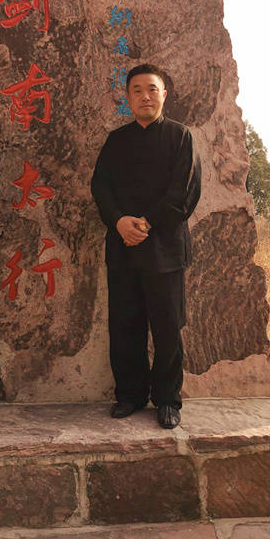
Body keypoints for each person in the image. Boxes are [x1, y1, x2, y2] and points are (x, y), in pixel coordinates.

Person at [91, 64, 201, 429]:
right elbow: (100, 187)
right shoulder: (116, 141)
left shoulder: (180, 137)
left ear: (164, 94)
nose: (145, 96)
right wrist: (120, 220)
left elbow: (183, 195)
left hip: (165, 250)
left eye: (152, 89)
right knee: (125, 324)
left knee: (168, 326)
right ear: (127, 97)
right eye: (137, 90)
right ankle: (131, 395)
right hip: (122, 247)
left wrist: (147, 223)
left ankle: (168, 399)